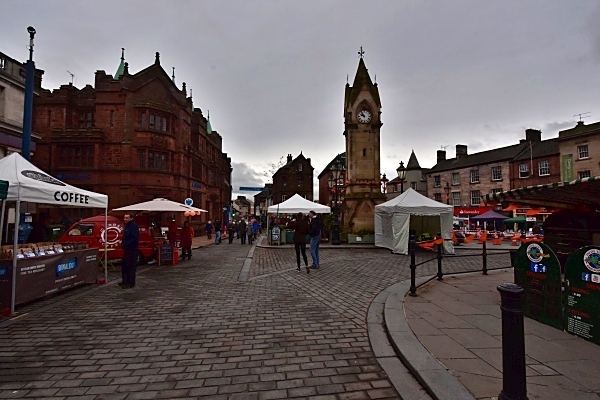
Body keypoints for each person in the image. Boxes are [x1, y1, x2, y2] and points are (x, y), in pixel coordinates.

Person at [120, 213, 140, 289]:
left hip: (132, 249)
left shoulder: (133, 226)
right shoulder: (127, 226)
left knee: (130, 266)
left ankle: (130, 283)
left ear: (131, 218)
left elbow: (134, 238)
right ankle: (124, 281)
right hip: (127, 249)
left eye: (127, 218)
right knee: (124, 266)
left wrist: (126, 243)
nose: (125, 219)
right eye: (124, 218)